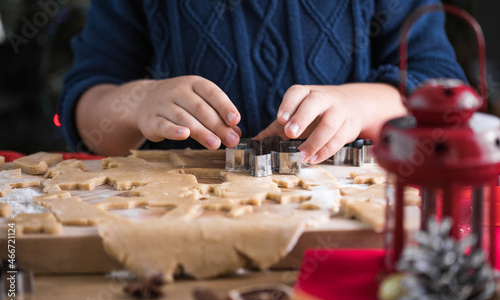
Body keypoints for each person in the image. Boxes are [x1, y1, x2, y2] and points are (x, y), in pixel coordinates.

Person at [59, 0, 466, 164]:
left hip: (348, 218)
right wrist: (138, 101)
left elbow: (442, 89)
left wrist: (359, 106)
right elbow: (90, 118)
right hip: (186, 218)